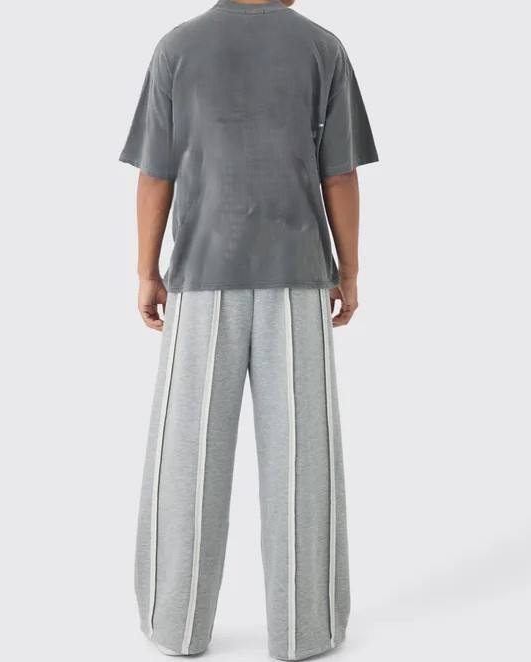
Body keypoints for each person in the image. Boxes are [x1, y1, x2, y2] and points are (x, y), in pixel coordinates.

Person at [119, 1, 378, 659]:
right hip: (297, 274)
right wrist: (349, 271)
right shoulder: (321, 48)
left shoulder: (177, 47)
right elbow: (339, 174)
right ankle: (306, 630)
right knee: (303, 460)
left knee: (185, 457)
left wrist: (147, 271)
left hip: (200, 274)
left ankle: (175, 624)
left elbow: (155, 174)